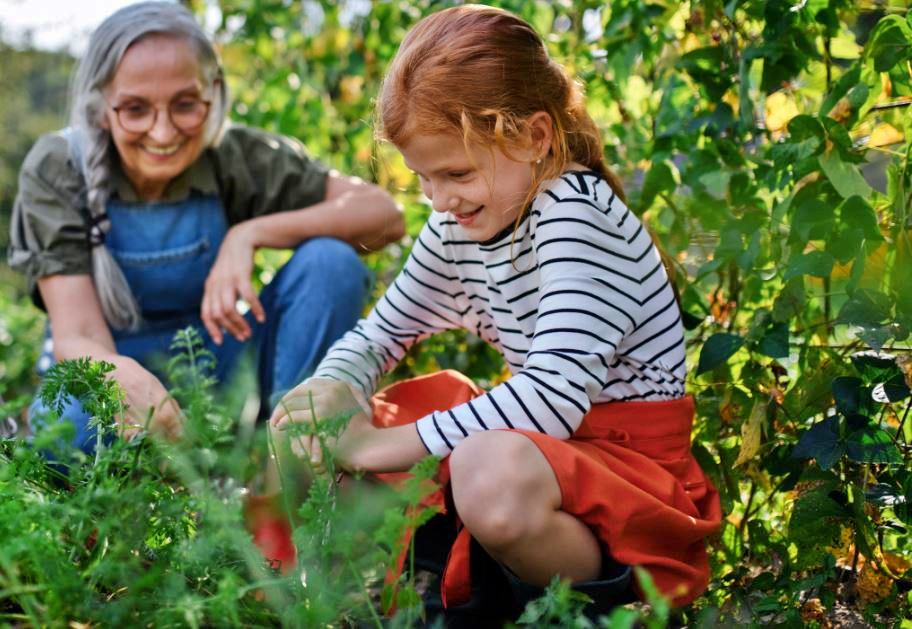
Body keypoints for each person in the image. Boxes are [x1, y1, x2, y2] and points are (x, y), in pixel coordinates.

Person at [269, 3, 721, 620]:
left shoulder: (575, 212)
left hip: (626, 475)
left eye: (455, 172)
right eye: (423, 179)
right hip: (546, 452)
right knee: (304, 412)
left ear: (535, 137)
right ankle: (335, 594)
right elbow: (382, 333)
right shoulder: (462, 219)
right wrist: (333, 389)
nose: (439, 199)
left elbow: (553, 398)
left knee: (487, 467)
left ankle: (594, 603)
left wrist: (375, 446)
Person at [8, 1, 404, 452]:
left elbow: (382, 215)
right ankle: (177, 471)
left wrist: (248, 235)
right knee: (71, 431)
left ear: (213, 94)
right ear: (100, 107)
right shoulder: (59, 166)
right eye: (135, 110)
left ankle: (288, 453)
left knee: (331, 263)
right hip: (107, 367)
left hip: (219, 365)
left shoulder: (234, 156)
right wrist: (127, 383)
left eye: (185, 105)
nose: (163, 133)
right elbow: (77, 336)